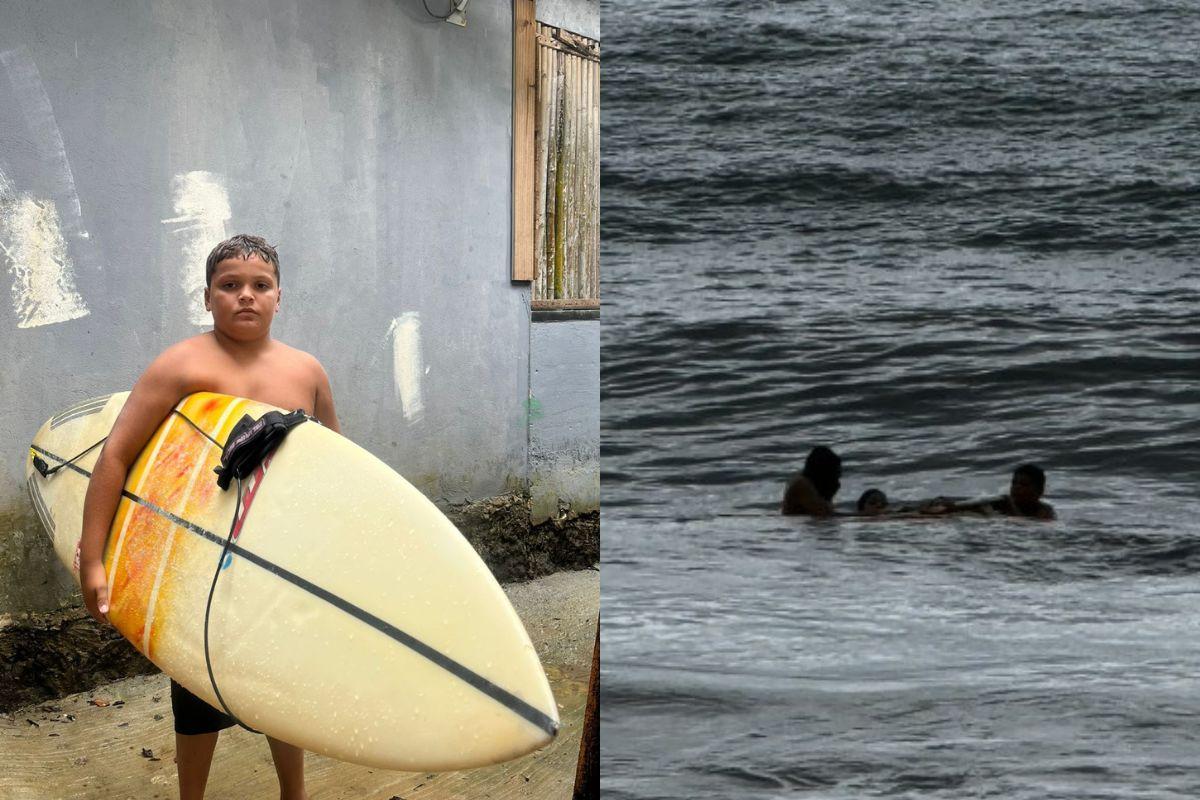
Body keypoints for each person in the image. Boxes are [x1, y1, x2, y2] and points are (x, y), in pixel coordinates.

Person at [79, 234, 338, 800]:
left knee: (278, 687)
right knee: (195, 691)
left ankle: (293, 795)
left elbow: (333, 471)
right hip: (197, 562)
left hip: (277, 562)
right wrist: (93, 558)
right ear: (206, 297)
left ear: (279, 296)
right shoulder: (180, 366)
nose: (245, 296)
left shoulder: (307, 372)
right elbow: (116, 457)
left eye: (259, 285)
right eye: (230, 285)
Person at [948, 463, 1056, 520]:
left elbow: (1028, 526)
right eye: (1014, 483)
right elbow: (972, 502)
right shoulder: (1003, 503)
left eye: (1024, 485)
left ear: (1039, 491)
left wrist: (1010, 504)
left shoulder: (1045, 511)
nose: (1016, 487)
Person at [780, 446, 841, 516]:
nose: (838, 484)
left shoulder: (810, 486)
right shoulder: (801, 484)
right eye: (835, 477)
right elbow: (826, 514)